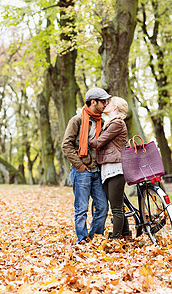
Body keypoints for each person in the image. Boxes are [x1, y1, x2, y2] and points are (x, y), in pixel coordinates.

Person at [62, 87, 110, 244]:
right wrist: (80, 165)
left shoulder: (102, 122)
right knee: (81, 209)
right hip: (81, 171)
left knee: (102, 207)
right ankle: (82, 240)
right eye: (103, 102)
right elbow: (66, 145)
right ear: (93, 102)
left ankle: (94, 237)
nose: (105, 104)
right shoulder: (76, 121)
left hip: (98, 171)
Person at [89, 96, 130, 239]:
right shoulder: (110, 123)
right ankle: (125, 233)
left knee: (116, 207)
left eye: (110, 103)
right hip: (108, 166)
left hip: (116, 167)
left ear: (115, 107)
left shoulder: (117, 123)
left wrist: (83, 141)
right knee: (117, 204)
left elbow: (100, 141)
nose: (106, 104)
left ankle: (116, 237)